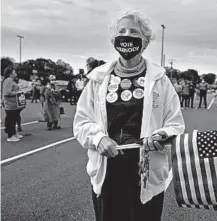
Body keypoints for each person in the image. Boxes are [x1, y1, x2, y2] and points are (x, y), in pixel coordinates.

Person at [73, 9, 185, 221]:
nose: (127, 35)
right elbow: (81, 122)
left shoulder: (160, 80)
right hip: (108, 168)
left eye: (134, 32)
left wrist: (162, 135)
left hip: (146, 169)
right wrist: (99, 138)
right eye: (121, 31)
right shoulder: (97, 79)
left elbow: (175, 123)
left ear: (145, 41)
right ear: (114, 38)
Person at [2, 66, 25, 142]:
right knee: (11, 120)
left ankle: (14, 133)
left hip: (14, 105)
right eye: (14, 72)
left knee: (14, 119)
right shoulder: (8, 80)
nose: (16, 74)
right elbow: (6, 93)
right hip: (10, 105)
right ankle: (10, 136)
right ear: (10, 74)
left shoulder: (12, 81)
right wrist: (17, 93)